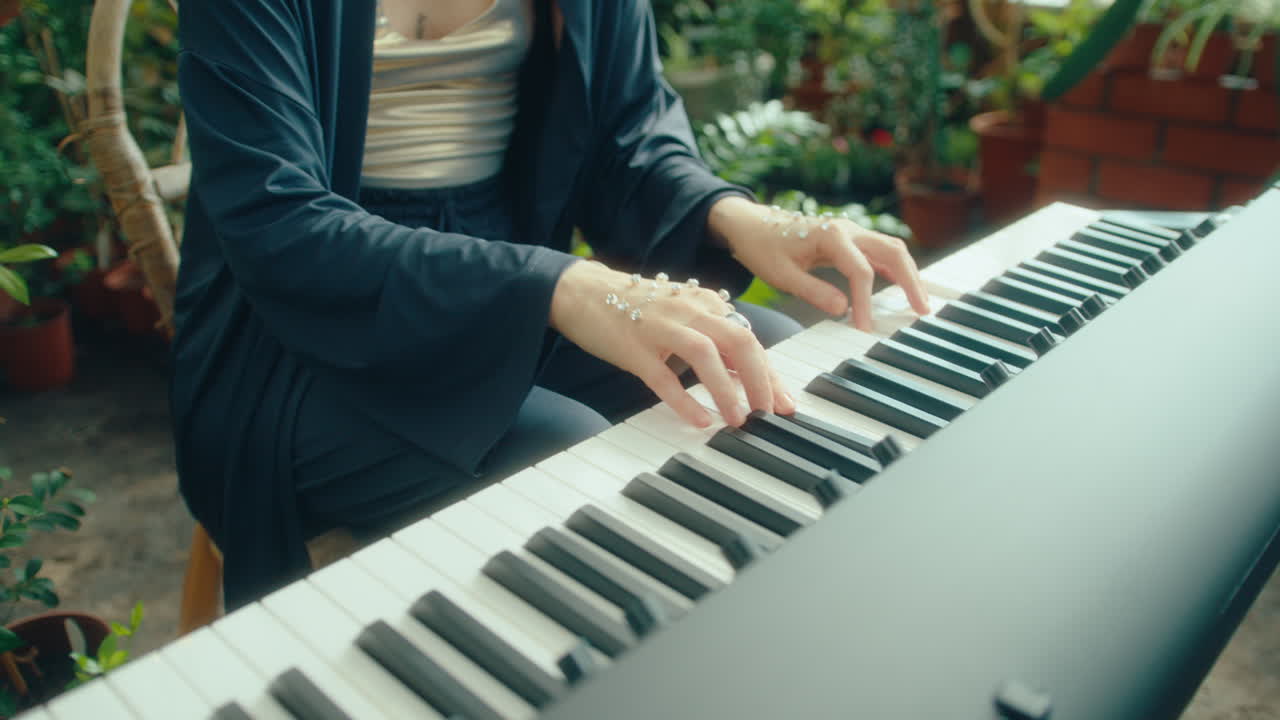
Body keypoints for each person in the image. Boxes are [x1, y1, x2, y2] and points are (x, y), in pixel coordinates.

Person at [173, 0, 930, 609]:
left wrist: (736, 217)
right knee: (567, 453)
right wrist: (564, 285)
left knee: (747, 356)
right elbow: (278, 222)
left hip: (509, 295)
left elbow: (627, 140)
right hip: (295, 336)